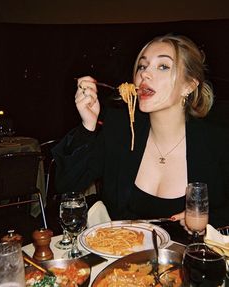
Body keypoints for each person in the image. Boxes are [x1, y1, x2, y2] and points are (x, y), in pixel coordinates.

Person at [52, 34, 229, 230]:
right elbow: (67, 186)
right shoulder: (120, 131)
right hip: (122, 255)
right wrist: (88, 125)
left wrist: (208, 221)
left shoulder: (217, 143)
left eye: (163, 66)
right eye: (142, 66)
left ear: (189, 85)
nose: (144, 74)